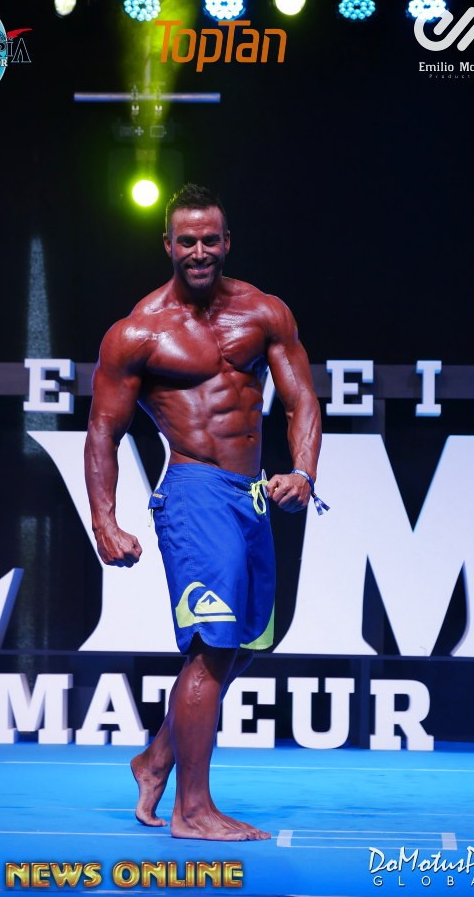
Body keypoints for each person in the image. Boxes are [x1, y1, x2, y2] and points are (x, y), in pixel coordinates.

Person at [84, 183, 322, 841]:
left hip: (251, 494)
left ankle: (156, 759)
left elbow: (301, 398)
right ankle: (191, 810)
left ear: (226, 242)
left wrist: (303, 471)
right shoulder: (138, 331)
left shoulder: (264, 312)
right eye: (186, 240)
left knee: (244, 642)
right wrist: (105, 520)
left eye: (209, 240)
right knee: (211, 648)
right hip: (193, 491)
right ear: (167, 244)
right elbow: (103, 430)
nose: (198, 251)